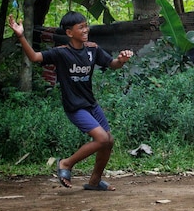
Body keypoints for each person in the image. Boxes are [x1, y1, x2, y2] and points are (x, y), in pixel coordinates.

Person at [8, 11, 133, 192]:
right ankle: (66, 164)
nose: (85, 30)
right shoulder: (61, 53)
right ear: (69, 33)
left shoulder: (92, 49)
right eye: (80, 27)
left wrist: (121, 60)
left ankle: (94, 181)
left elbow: (112, 63)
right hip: (75, 107)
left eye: (86, 26)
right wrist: (20, 36)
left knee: (109, 141)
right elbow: (34, 57)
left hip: (91, 104)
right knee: (102, 138)